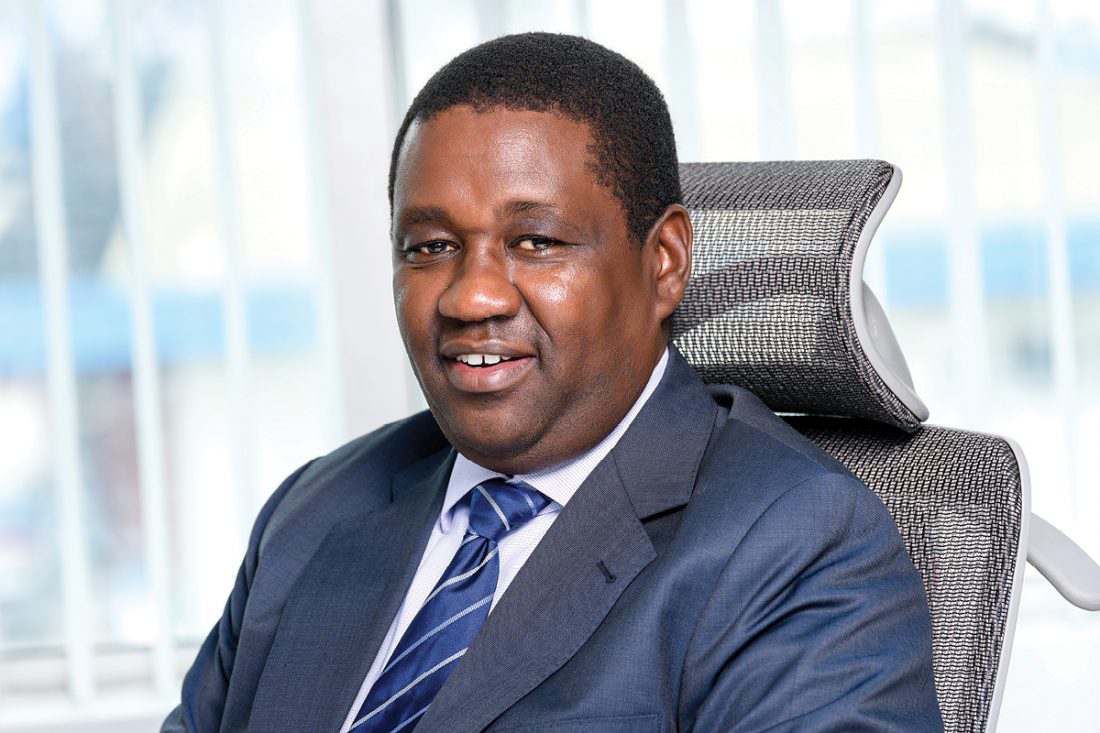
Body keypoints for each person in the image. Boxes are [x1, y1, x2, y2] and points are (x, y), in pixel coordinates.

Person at [162, 32, 943, 732]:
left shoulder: (795, 540)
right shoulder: (315, 510)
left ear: (665, 261)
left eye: (535, 241)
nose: (472, 297)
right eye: (430, 247)